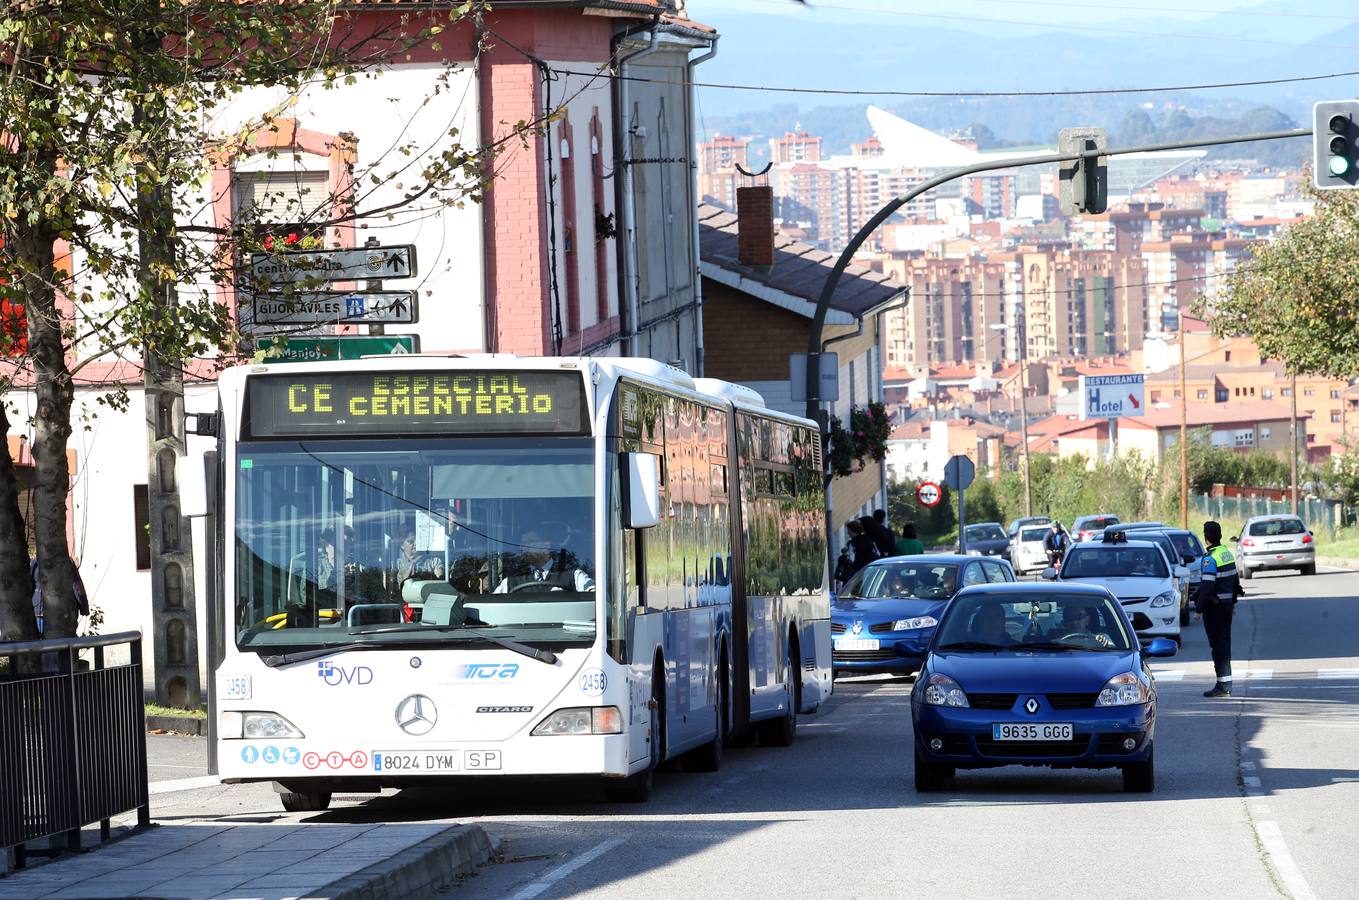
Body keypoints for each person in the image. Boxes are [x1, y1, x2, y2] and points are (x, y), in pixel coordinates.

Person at [1197, 520, 1242, 698]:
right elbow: (1235, 580)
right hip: (1226, 608)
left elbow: (1207, 587)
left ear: (1206, 538)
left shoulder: (1210, 559)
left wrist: (1198, 609)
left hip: (1214, 610)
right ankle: (1224, 683)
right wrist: (1233, 602)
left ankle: (1223, 687)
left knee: (1218, 647)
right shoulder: (1226, 554)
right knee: (1224, 644)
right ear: (1220, 536)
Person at [494, 523, 594, 593]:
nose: (523, 547)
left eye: (528, 542)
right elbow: (494, 605)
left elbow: (596, 595)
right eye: (522, 544)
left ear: (545, 546)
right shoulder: (511, 581)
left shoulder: (573, 575)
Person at [30, 556, 89, 636]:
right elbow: (77, 587)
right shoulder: (66, 561)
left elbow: (28, 587)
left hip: (39, 613)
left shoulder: (35, 562)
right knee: (63, 644)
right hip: (63, 613)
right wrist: (84, 608)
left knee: (41, 645)